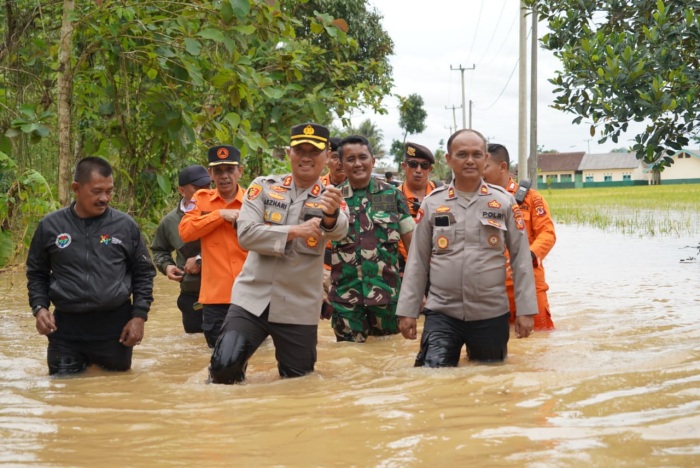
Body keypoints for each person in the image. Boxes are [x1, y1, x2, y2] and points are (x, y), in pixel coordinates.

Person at [209, 122, 349, 384]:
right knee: (222, 369)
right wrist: (295, 231)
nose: (306, 157)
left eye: (314, 151)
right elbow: (246, 234)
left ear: (327, 156)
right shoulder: (263, 187)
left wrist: (330, 216)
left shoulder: (333, 197)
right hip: (252, 298)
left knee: (298, 383)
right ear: (288, 153)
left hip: (298, 304)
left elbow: (340, 229)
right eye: (300, 150)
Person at [396, 129, 537, 367]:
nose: (470, 160)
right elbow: (417, 261)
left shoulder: (504, 202)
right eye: (462, 154)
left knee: (490, 380)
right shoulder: (433, 203)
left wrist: (525, 311)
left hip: (491, 314)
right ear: (449, 159)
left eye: (476, 154)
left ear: (485, 159)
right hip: (442, 312)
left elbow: (521, 259)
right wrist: (407, 311)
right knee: (433, 375)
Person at [26, 157, 156, 375]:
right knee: (63, 396)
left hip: (115, 332)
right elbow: (37, 273)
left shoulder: (125, 226)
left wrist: (139, 316)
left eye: (109, 191)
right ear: (76, 188)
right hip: (65, 331)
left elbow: (143, 273)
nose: (104, 198)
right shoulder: (50, 226)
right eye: (97, 191)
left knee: (115, 397)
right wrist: (39, 308)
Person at [327, 135, 414, 342]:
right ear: (341, 163)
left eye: (363, 157)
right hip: (346, 301)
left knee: (389, 360)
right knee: (349, 362)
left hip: (387, 299)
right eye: (350, 159)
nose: (357, 164)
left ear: (373, 161)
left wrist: (414, 294)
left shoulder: (393, 196)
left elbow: (414, 249)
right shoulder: (332, 199)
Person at [178, 146, 248, 348]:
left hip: (250, 296)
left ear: (240, 171)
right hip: (216, 299)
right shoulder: (200, 199)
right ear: (210, 174)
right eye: (218, 171)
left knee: (256, 357)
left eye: (229, 170)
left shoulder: (254, 200)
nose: (224, 176)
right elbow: (185, 231)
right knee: (219, 359)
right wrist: (219, 215)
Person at [483, 143, 556, 330]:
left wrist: (527, 256)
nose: (479, 172)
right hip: (493, 289)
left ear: (502, 167)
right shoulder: (478, 202)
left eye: (485, 166)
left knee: (538, 343)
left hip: (528, 284)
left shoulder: (531, 199)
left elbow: (547, 234)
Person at [150, 165, 211, 334]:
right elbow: (159, 250)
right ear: (182, 190)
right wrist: (167, 266)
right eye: (199, 188)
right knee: (194, 350)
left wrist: (200, 259)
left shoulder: (223, 212)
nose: (206, 192)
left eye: (209, 186)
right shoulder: (169, 222)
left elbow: (239, 246)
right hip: (192, 295)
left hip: (228, 294)